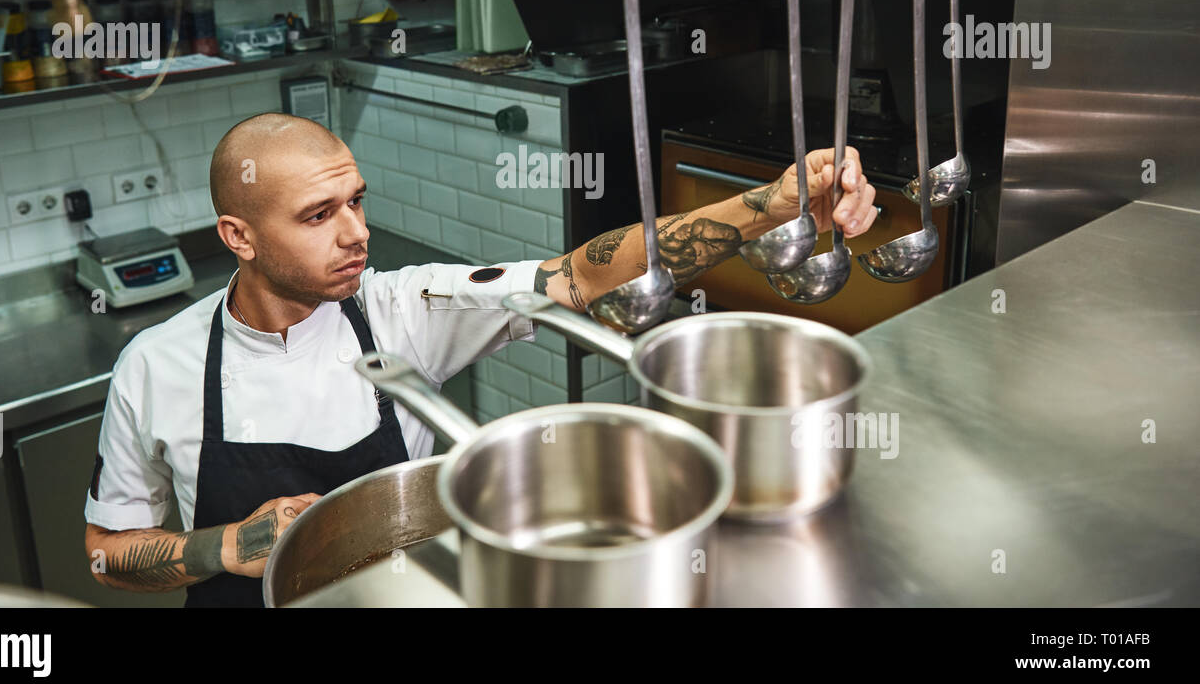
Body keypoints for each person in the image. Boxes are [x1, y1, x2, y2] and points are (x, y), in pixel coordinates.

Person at [83, 113, 877, 606]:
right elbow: (107, 552)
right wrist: (230, 546)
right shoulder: (154, 367)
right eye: (319, 215)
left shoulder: (403, 307)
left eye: (356, 200)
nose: (357, 232)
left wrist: (770, 205)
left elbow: (581, 275)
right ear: (239, 236)